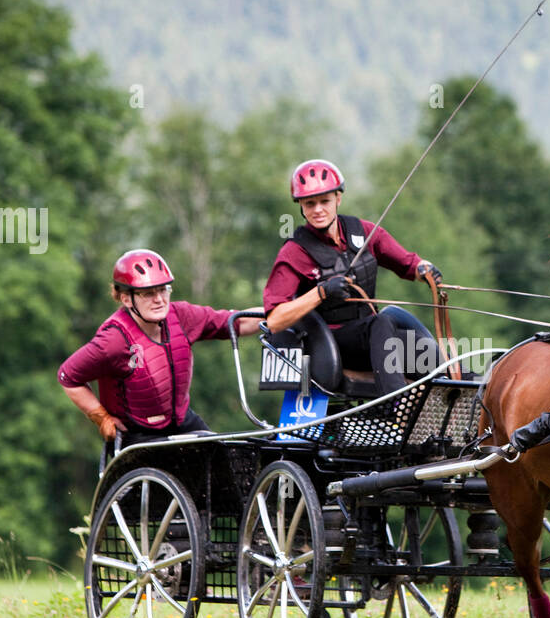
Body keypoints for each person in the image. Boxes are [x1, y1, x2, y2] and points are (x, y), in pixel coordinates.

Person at [263, 159, 442, 397]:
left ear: (338, 198)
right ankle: (395, 402)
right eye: (310, 203)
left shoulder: (365, 233)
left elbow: (408, 263)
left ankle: (474, 395)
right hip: (330, 344)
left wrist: (425, 270)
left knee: (419, 347)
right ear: (301, 207)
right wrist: (321, 292)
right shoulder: (295, 252)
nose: (318, 210)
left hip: (376, 342)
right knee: (382, 321)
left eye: (324, 201)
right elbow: (275, 320)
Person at [58, 249, 262, 446]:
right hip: (137, 434)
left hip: (182, 422)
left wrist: (279, 312)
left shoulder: (182, 316)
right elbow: (68, 377)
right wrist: (101, 418)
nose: (159, 299)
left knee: (227, 459)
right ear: (126, 298)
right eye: (147, 293)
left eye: (163, 290)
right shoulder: (113, 340)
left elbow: (238, 322)